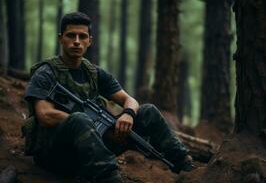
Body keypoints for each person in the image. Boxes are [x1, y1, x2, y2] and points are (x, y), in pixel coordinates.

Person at [23, 12, 193, 183]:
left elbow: (130, 100)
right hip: (55, 155)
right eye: (70, 35)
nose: (76, 41)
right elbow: (44, 114)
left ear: (90, 40)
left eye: (82, 36)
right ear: (61, 38)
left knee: (148, 111)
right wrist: (85, 124)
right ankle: (109, 178)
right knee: (80, 119)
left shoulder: (94, 72)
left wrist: (128, 114)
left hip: (91, 147)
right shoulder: (45, 72)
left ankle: (185, 164)